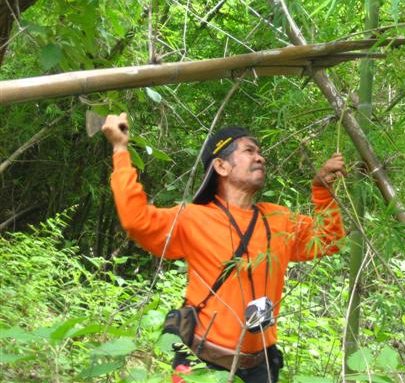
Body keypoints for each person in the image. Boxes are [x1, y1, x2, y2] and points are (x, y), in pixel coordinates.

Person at [101, 112, 346, 383]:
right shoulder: (193, 218)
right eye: (249, 151)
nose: (260, 158)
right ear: (221, 166)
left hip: (262, 367)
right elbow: (136, 220)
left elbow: (329, 239)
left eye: (259, 152)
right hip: (202, 366)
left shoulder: (278, 220)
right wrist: (120, 149)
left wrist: (322, 190)